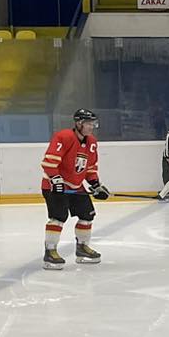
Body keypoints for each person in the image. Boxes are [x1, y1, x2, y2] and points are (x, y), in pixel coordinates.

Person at [40, 107, 109, 269]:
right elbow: (49, 162)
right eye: (88, 123)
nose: (92, 127)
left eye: (93, 124)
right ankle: (50, 252)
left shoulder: (91, 142)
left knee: (87, 214)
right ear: (79, 123)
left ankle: (82, 248)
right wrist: (55, 179)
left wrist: (96, 185)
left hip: (76, 186)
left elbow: (90, 167)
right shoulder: (63, 137)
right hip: (53, 185)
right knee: (58, 217)